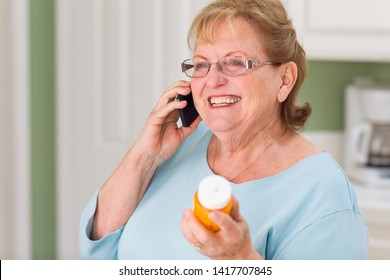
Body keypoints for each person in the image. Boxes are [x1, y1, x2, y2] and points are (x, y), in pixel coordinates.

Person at [79, 0, 368, 260]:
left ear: (284, 80)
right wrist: (144, 156)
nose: (212, 80)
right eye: (202, 64)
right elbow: (99, 250)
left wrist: (238, 259)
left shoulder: (324, 194)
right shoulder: (179, 148)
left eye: (235, 63)